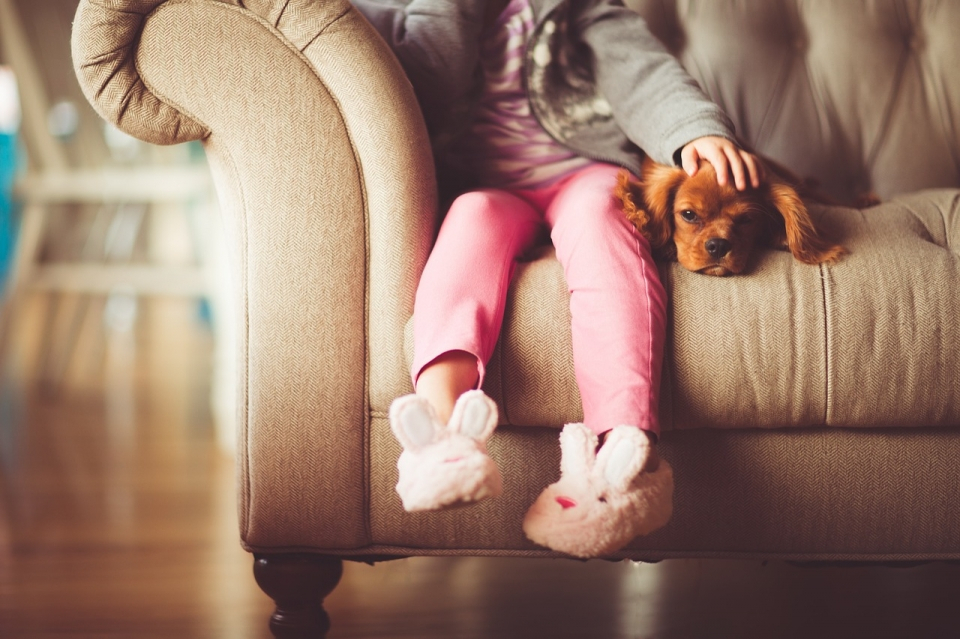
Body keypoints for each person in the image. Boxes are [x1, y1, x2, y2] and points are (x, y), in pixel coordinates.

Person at [352, 0, 763, 557]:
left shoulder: (580, 8)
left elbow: (641, 72)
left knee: (603, 220)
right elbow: (419, 86)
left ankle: (622, 455)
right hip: (484, 184)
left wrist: (692, 131)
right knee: (469, 222)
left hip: (581, 171)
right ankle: (443, 432)